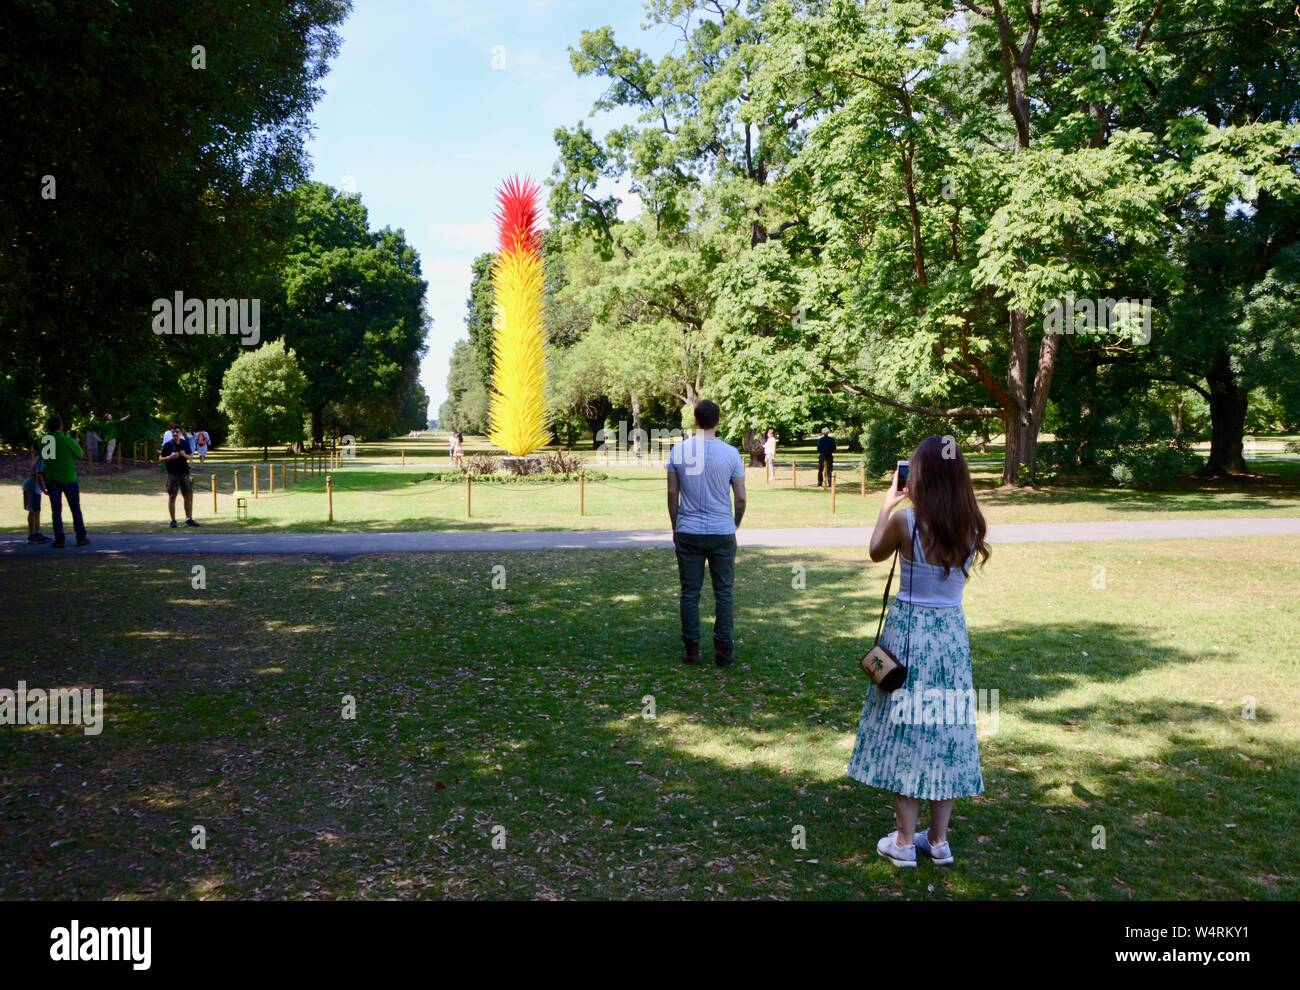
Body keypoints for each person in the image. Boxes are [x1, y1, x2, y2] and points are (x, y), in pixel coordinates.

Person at [847, 435, 990, 868]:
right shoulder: (974, 525)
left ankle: (905, 841)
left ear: (921, 476)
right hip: (950, 638)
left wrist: (885, 505)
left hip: (908, 635)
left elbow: (874, 553)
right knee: (943, 729)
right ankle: (939, 840)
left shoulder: (906, 522)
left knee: (908, 731)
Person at [666, 400, 747, 667]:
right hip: (722, 529)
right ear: (718, 421)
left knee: (690, 591)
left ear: (695, 420)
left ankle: (692, 650)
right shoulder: (731, 454)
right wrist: (734, 523)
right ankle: (723, 650)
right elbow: (741, 498)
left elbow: (672, 493)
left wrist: (675, 525)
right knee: (724, 592)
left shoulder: (679, 451)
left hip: (688, 528)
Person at [41, 416, 90, 548]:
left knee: (56, 510)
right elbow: (80, 454)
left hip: (52, 478)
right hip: (68, 478)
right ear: (60, 426)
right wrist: (76, 441)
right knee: (75, 508)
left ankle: (59, 539)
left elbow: (45, 458)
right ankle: (81, 537)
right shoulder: (67, 440)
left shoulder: (45, 441)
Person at [161, 426, 199, 528]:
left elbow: (191, 456)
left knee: (188, 496)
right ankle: (173, 521)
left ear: (180, 433)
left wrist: (184, 455)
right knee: (172, 497)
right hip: (172, 474)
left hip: (184, 474)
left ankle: (188, 519)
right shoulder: (167, 445)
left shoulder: (184, 443)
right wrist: (169, 457)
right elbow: (160, 459)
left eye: (177, 432)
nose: (175, 434)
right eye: (173, 432)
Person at [22, 450, 50, 543]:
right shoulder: (42, 459)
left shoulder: (45, 458)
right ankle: (32, 535)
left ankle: (37, 533)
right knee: (33, 511)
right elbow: (39, 475)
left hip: (36, 489)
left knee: (37, 510)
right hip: (32, 487)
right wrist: (44, 489)